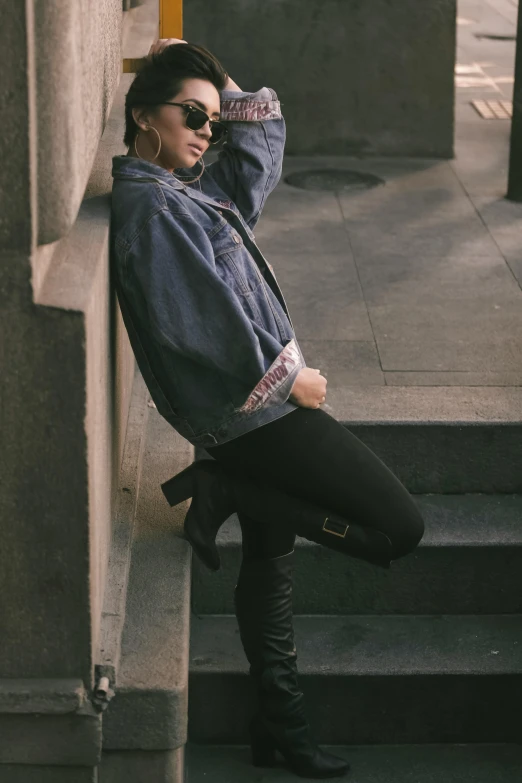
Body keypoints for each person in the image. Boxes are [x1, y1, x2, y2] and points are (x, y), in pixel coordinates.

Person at [111, 39, 425, 779]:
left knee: (271, 555)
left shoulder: (185, 187)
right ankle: (227, 487)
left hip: (251, 411)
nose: (205, 129)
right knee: (399, 528)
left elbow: (258, 156)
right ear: (141, 114)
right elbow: (202, 324)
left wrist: (213, 73)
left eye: (210, 119)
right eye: (190, 113)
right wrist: (291, 382)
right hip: (254, 413)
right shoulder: (152, 206)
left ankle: (279, 724)